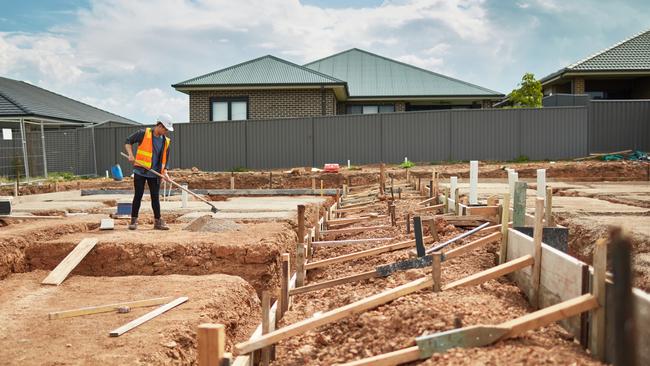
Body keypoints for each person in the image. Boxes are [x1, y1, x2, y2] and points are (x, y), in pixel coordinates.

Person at [124, 114, 173, 230]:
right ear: (159, 125)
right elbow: (128, 141)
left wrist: (165, 172)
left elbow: (166, 159)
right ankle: (133, 221)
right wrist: (131, 154)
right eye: (165, 129)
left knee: (155, 197)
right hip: (140, 171)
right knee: (138, 195)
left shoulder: (166, 141)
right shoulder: (143, 133)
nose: (166, 132)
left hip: (155, 174)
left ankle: (157, 222)